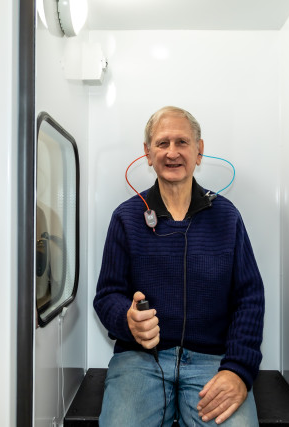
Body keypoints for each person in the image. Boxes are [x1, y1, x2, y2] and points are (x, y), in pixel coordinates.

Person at [93, 106, 265, 426]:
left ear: (199, 151)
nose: (172, 152)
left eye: (182, 142)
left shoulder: (227, 217)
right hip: (140, 360)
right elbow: (107, 296)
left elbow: (249, 299)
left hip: (213, 362)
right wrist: (127, 319)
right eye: (162, 143)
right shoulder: (126, 217)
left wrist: (238, 370)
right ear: (148, 153)